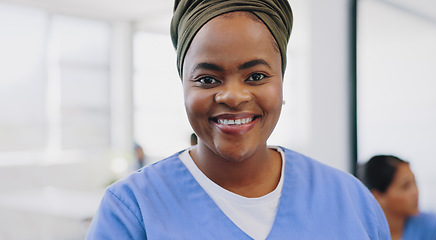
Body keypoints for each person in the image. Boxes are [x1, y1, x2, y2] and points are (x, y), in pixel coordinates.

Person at [86, 0, 391, 239]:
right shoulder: (132, 209)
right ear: (183, 86)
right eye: (207, 79)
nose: (232, 96)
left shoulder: (350, 201)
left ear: (281, 82)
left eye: (256, 76)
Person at [360, 155, 436, 240]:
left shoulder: (431, 225)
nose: (416, 192)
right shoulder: (363, 232)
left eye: (415, 182)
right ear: (377, 197)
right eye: (405, 186)